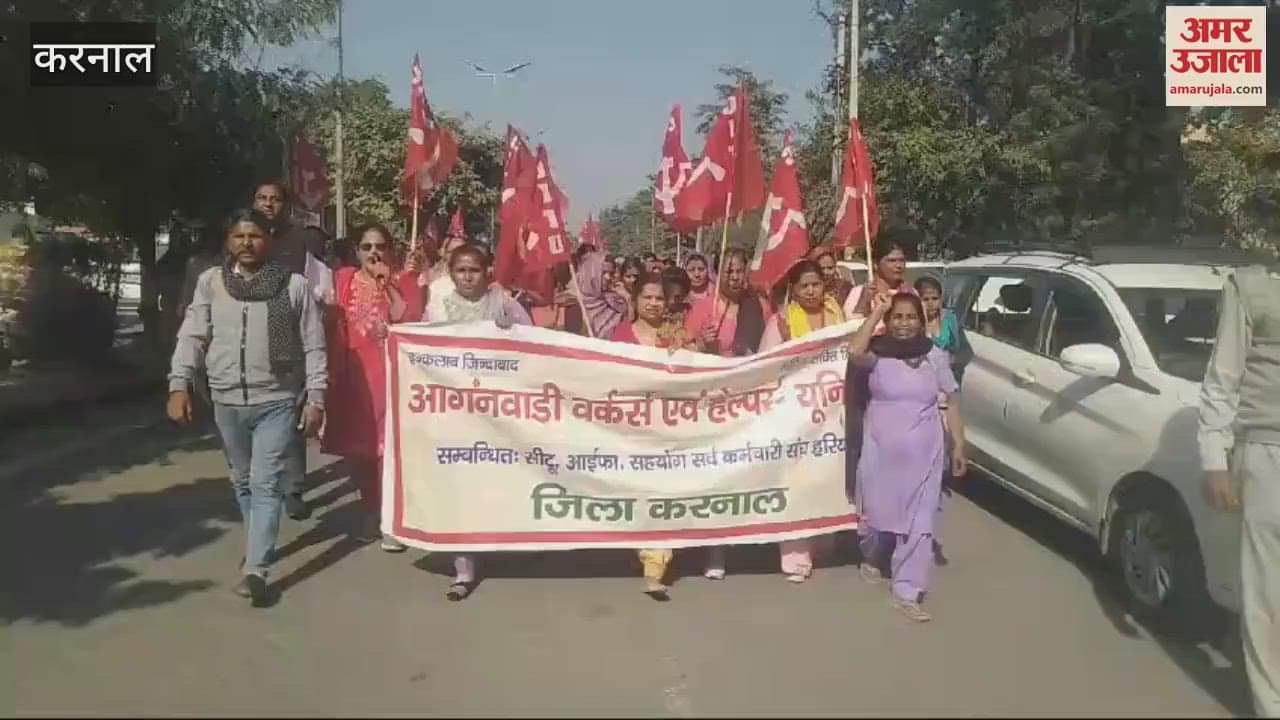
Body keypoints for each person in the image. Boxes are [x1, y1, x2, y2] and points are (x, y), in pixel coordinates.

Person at [167, 208, 327, 607]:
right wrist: (179, 383)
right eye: (239, 236)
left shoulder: (293, 286)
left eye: (254, 236)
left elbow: (314, 345)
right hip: (225, 399)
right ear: (228, 241)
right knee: (242, 481)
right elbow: (192, 335)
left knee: (264, 482)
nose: (246, 243)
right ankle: (258, 542)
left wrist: (317, 398)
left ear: (268, 240)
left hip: (276, 398)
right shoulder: (211, 283)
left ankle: (257, 568)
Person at [847, 291, 967, 623]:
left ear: (921, 320)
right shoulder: (877, 354)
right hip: (880, 452)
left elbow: (952, 401)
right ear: (888, 322)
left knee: (920, 521)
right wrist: (877, 312)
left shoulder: (934, 355)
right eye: (897, 317)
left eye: (911, 317)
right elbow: (854, 351)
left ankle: (907, 590)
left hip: (925, 453)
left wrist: (958, 444)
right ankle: (873, 555)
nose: (904, 324)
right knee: (877, 515)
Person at [424, 244, 532, 601]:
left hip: (498, 410)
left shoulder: (503, 303)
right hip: (455, 409)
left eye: (474, 270)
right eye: (461, 270)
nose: (468, 277)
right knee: (460, 484)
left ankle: (510, 542)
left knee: (498, 479)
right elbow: (423, 346)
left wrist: (510, 332)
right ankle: (464, 567)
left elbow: (532, 341)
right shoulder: (439, 306)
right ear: (451, 273)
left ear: (487, 272)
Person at [1198, 263, 1280, 717]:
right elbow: (1222, 380)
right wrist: (1215, 460)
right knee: (1270, 597)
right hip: (1270, 452)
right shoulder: (1252, 287)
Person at [321, 223, 425, 553]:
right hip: (351, 377)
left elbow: (409, 320)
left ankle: (390, 519)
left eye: (380, 246)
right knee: (359, 452)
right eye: (366, 247)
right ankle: (370, 509)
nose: (374, 253)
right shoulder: (343, 279)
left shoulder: (403, 282)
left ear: (390, 250)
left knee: (387, 452)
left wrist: (389, 284)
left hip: (390, 377)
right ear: (357, 251)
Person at [683, 248, 772, 578]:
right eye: (729, 271)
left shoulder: (758, 307)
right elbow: (683, 352)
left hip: (748, 404)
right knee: (715, 477)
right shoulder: (702, 309)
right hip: (712, 407)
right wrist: (701, 344)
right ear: (717, 274)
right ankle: (714, 549)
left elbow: (771, 350)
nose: (735, 277)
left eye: (740, 271)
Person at [760, 260, 847, 582]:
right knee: (796, 483)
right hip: (795, 416)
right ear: (793, 291)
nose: (811, 291)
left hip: (832, 416)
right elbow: (766, 367)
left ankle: (822, 540)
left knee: (826, 478)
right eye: (804, 286)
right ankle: (795, 556)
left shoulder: (839, 317)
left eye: (816, 284)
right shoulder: (781, 322)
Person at [610, 273, 694, 600]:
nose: (654, 303)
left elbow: (696, 371)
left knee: (663, 494)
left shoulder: (677, 333)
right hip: (632, 429)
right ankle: (642, 550)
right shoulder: (620, 335)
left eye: (659, 298)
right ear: (635, 300)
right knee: (639, 493)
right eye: (647, 297)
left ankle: (654, 566)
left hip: (670, 428)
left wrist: (691, 348)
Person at [253, 180, 330, 522]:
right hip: (250, 335)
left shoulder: (298, 239)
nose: (268, 204)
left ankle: (294, 488)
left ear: (284, 205)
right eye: (262, 198)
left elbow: (313, 285)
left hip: (289, 332)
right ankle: (260, 483)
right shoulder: (244, 235)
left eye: (274, 199)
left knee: (290, 412)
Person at [844, 238, 915, 325]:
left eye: (902, 260)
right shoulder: (858, 292)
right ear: (876, 264)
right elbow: (851, 327)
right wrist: (863, 302)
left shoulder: (912, 293)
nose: (899, 265)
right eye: (892, 261)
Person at [576, 249, 628, 339]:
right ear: (590, 273)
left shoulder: (617, 301)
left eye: (611, 273)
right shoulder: (574, 303)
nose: (608, 277)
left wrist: (628, 299)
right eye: (603, 272)